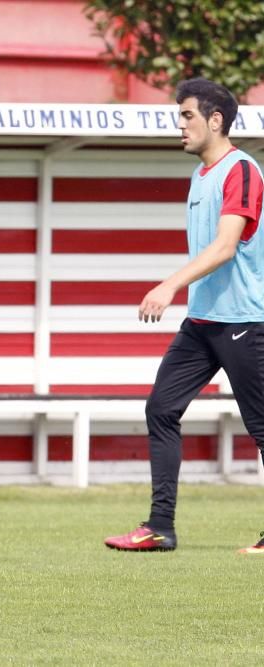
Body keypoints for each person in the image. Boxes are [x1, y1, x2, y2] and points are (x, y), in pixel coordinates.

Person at [104, 78, 264, 553]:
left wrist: (170, 284)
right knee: (161, 409)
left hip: (245, 320)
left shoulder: (242, 170)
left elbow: (224, 247)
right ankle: (160, 527)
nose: (180, 126)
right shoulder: (201, 177)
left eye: (188, 116)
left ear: (216, 120)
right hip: (204, 322)